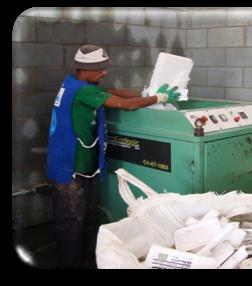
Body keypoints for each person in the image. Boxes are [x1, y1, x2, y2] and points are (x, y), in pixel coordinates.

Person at [46, 44, 180, 269]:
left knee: (87, 219)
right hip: (69, 168)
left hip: (83, 166)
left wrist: (147, 94)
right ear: (84, 69)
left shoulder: (76, 84)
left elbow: (114, 94)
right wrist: (158, 98)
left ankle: (88, 260)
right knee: (71, 224)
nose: (104, 72)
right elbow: (124, 105)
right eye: (100, 69)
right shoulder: (82, 90)